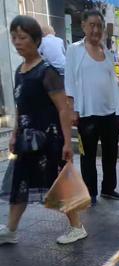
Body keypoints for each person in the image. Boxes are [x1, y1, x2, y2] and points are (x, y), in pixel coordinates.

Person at [0, 15, 86, 246]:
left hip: (49, 139)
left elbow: (63, 109)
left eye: (23, 37)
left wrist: (68, 142)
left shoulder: (47, 72)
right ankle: (11, 229)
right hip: (27, 140)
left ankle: (77, 227)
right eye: (14, 37)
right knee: (20, 182)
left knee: (57, 183)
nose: (18, 42)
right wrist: (15, 133)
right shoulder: (20, 71)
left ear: (36, 40)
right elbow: (21, 107)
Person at [65, 9, 119, 205]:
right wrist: (72, 107)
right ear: (83, 26)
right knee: (87, 156)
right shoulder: (75, 50)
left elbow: (113, 83)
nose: (96, 29)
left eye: (99, 26)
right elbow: (69, 80)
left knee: (111, 154)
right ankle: (90, 193)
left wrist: (117, 111)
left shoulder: (106, 52)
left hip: (109, 113)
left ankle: (109, 188)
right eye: (92, 25)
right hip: (87, 113)